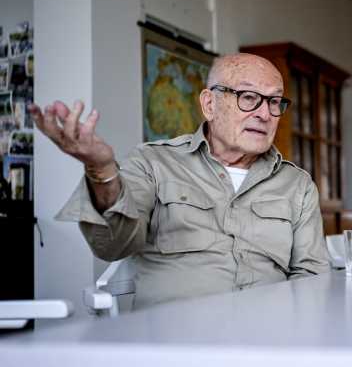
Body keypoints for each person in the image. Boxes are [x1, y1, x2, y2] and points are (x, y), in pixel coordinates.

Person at [29, 53, 331, 309]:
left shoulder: (297, 184)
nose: (265, 114)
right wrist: (102, 169)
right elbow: (113, 245)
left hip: (267, 343)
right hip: (175, 344)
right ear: (209, 104)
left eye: (275, 101)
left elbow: (312, 278)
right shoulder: (154, 163)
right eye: (249, 98)